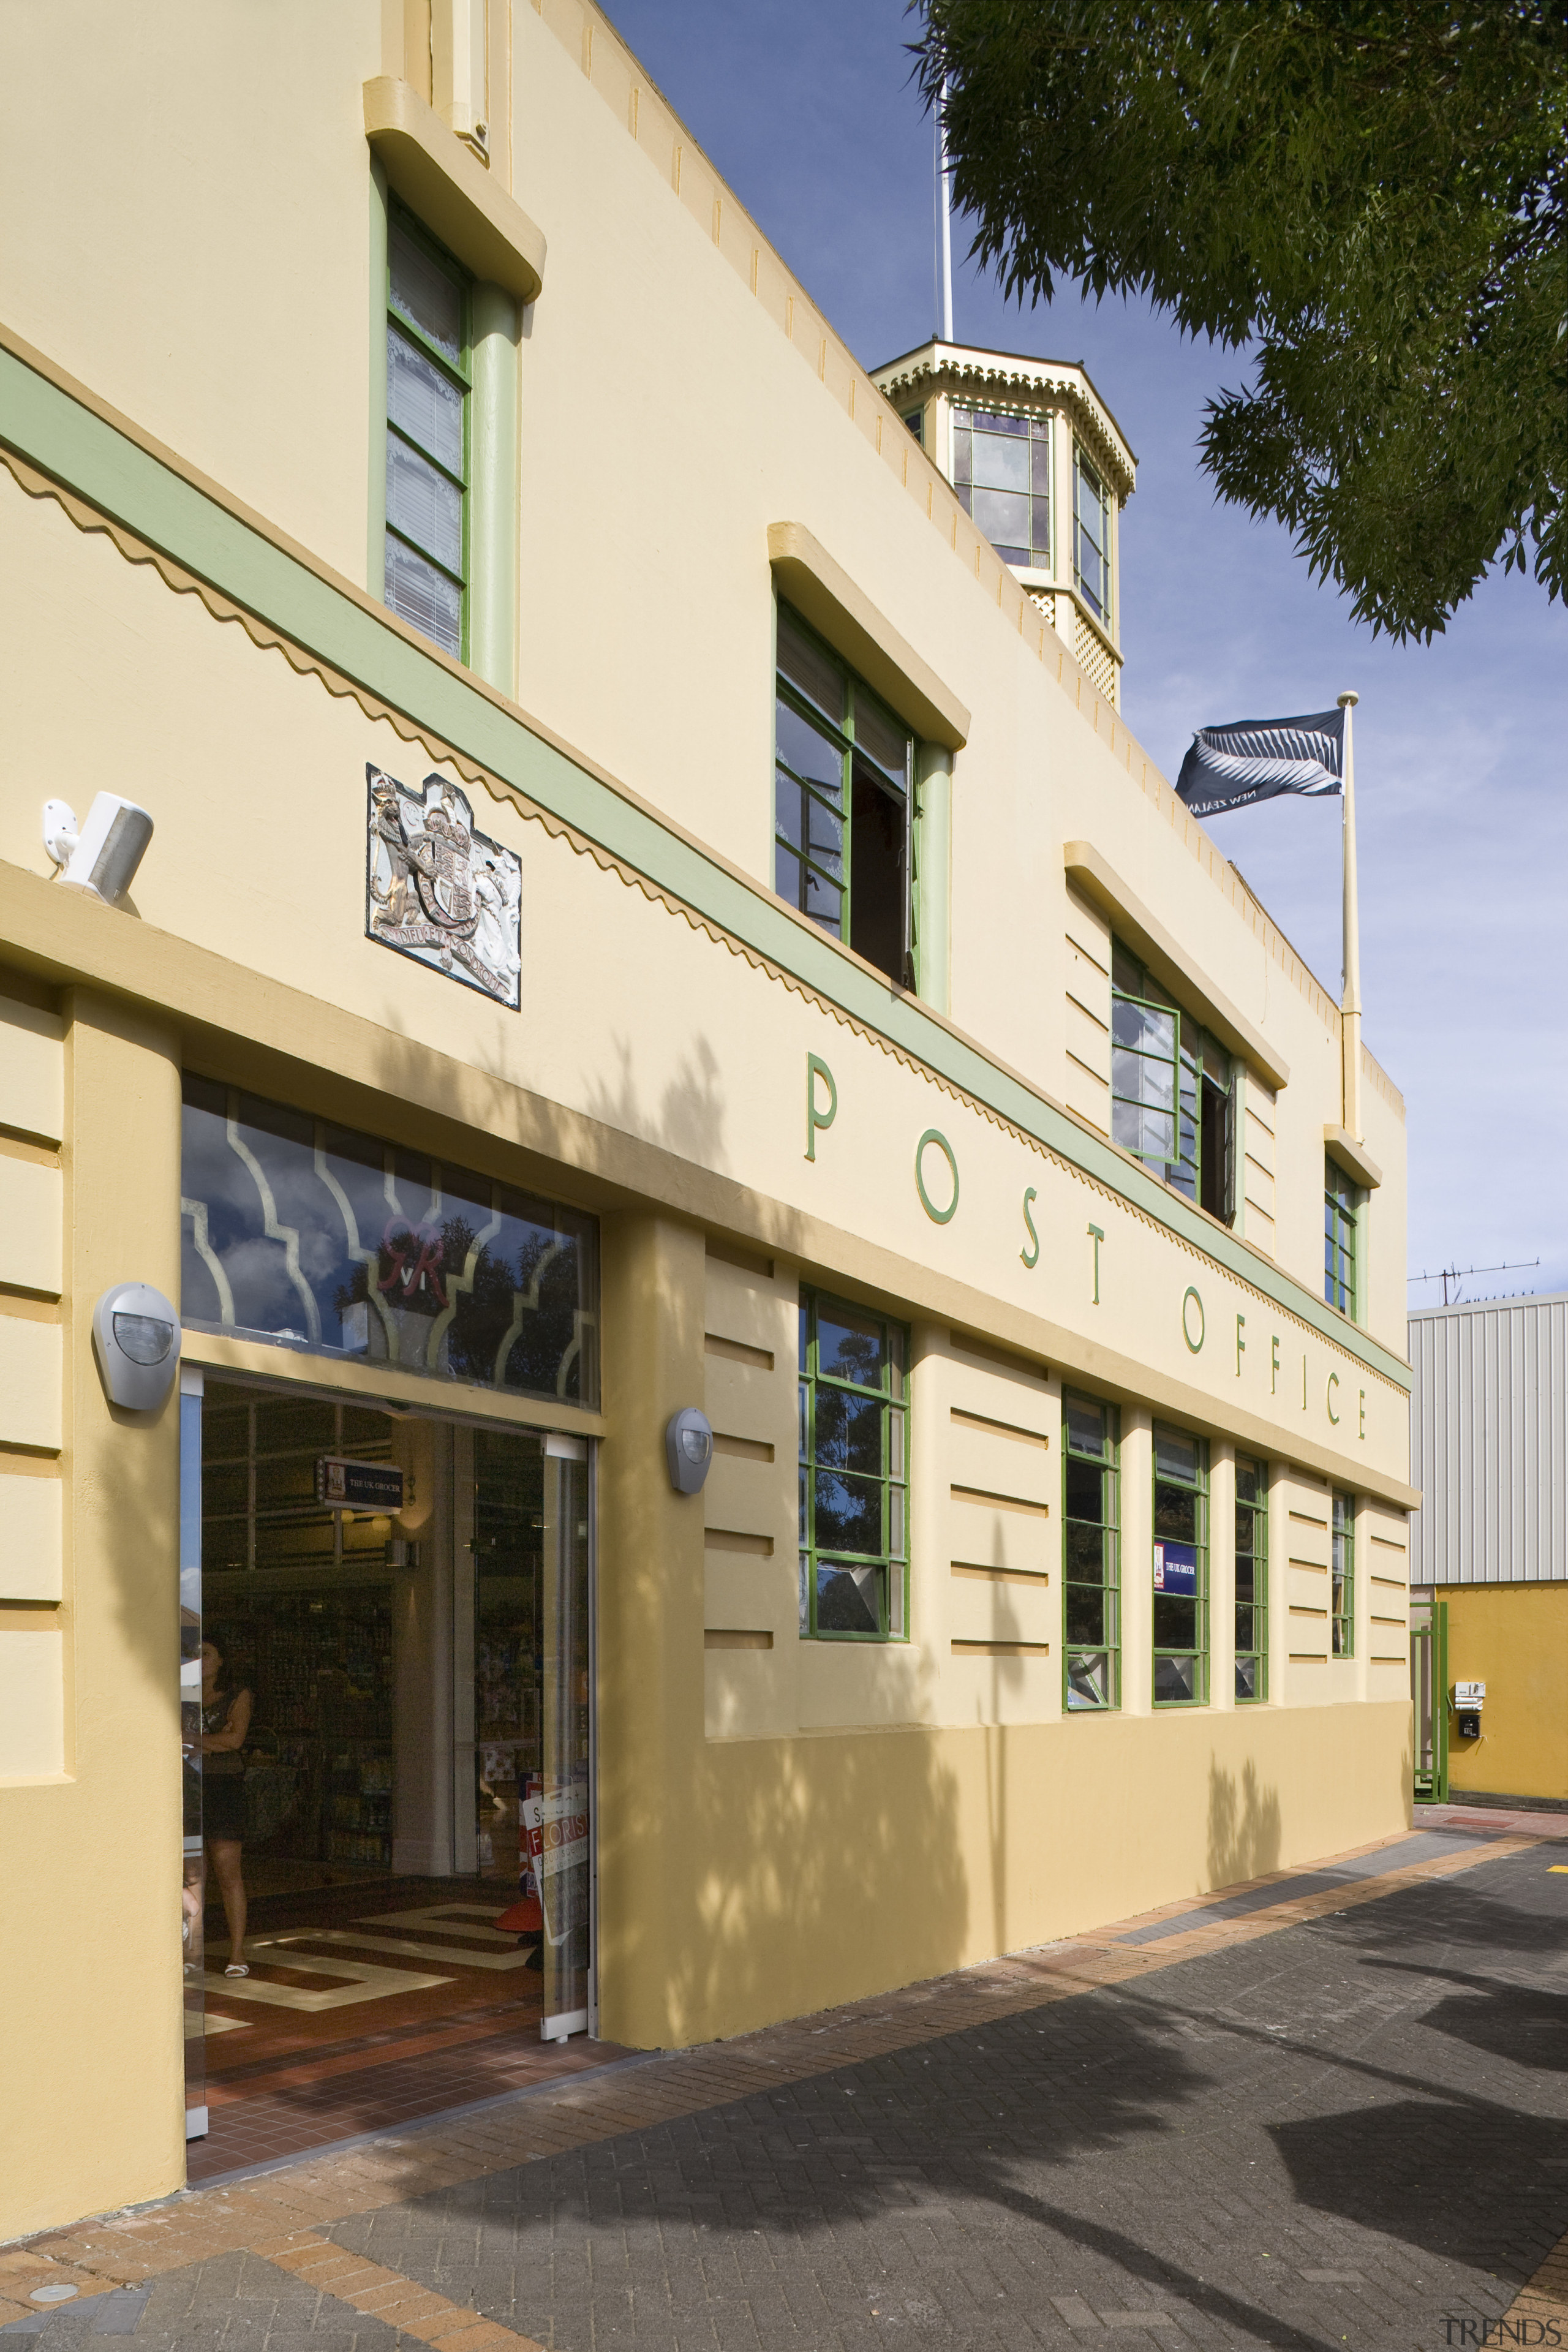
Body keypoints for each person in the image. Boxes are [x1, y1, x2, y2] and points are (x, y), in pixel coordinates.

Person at [196, 1640, 253, 1977]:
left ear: (220, 1662)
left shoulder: (238, 1694)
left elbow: (235, 1741)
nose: (199, 1660)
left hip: (225, 1788)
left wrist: (189, 1738)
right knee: (191, 1875)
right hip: (189, 1786)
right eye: (194, 1653)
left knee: (227, 1870)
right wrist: (213, 1742)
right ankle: (192, 1949)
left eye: (206, 1654)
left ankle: (237, 1953)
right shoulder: (181, 1694)